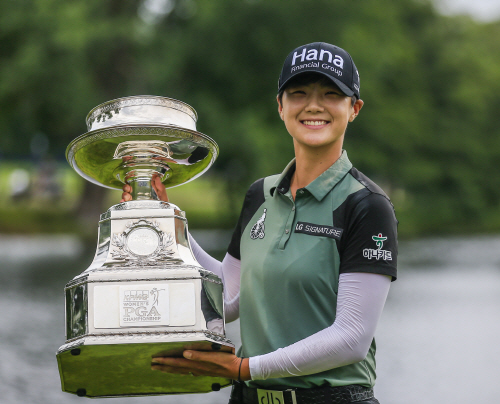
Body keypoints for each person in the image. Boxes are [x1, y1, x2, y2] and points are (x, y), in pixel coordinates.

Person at [121, 42, 398, 404]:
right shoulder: (260, 194)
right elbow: (229, 298)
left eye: (332, 94)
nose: (314, 105)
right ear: (281, 107)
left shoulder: (367, 205)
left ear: (354, 108)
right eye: (299, 93)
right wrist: (170, 225)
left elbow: (351, 339)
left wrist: (242, 368)